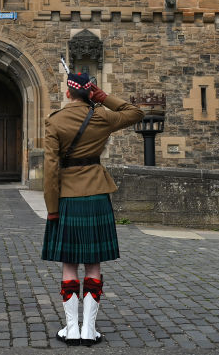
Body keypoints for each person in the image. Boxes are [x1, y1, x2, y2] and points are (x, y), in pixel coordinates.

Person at [42, 71, 143, 345]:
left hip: (67, 198)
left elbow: (50, 170)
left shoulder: (55, 122)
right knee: (93, 265)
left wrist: (52, 208)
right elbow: (135, 113)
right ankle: (90, 330)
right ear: (89, 93)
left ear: (67, 94)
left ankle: (72, 329)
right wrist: (104, 97)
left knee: (69, 265)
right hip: (97, 195)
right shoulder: (103, 116)